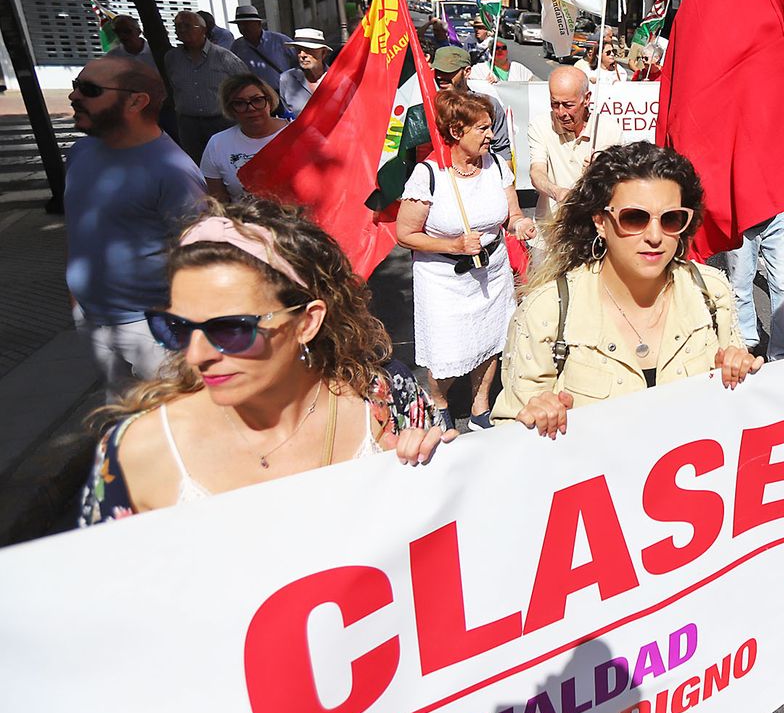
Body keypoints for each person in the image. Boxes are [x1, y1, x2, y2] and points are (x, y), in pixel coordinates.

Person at [78, 198, 452, 525]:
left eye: (229, 329)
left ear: (307, 322)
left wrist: (443, 466)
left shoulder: (389, 400)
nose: (195, 355)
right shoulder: (137, 453)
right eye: (175, 326)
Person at [494, 141, 761, 432]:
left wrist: (739, 372)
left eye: (671, 219)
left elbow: (738, 414)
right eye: (634, 218)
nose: (655, 236)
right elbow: (509, 438)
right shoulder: (547, 313)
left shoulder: (710, 292)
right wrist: (530, 417)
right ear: (600, 221)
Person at [65, 56, 207, 395]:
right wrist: (75, 299)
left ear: (136, 101)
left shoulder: (173, 172)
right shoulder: (79, 153)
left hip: (153, 331)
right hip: (93, 320)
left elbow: (200, 257)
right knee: (126, 418)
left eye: (89, 90)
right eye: (75, 87)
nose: (74, 97)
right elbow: (80, 231)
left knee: (176, 420)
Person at [396, 89, 534, 431]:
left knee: (491, 339)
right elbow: (405, 233)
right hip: (443, 277)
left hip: (493, 269)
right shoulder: (428, 175)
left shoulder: (497, 165)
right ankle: (439, 401)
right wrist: (454, 244)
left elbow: (512, 215)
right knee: (447, 349)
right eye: (483, 129)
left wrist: (521, 225)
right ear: (457, 132)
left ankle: (479, 405)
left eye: (491, 127)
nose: (492, 136)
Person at [528, 65, 623, 231]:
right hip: (551, 229)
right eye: (554, 104)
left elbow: (621, 182)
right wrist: (556, 192)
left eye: (568, 105)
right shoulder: (540, 125)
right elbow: (537, 172)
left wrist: (599, 172)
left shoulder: (609, 129)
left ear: (586, 99)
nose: (561, 112)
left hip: (593, 229)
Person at [165, 9, 250, 161]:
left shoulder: (224, 56)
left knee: (226, 161)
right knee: (196, 165)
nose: (182, 30)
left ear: (203, 29)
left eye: (187, 26)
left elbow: (246, 84)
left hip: (221, 122)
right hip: (188, 124)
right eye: (178, 27)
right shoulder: (172, 58)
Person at [200, 74, 288, 202]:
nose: (251, 108)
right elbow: (218, 203)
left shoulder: (298, 134)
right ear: (231, 109)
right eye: (240, 103)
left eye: (257, 100)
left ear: (269, 101)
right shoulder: (217, 144)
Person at [727, 212, 784, 360]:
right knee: (740, 287)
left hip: (778, 215)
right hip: (739, 221)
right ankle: (747, 344)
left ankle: (780, 355)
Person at [432, 45, 512, 164]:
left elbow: (501, 150)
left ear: (467, 71)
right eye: (438, 70)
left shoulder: (488, 105)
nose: (440, 76)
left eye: (448, 71)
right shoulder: (428, 106)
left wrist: (506, 181)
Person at [228, 4, 297, 81]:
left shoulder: (279, 41)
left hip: (282, 90)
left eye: (247, 24)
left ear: (258, 24)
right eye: (240, 25)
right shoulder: (237, 46)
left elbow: (298, 61)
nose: (243, 28)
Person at [278, 28, 332, 117]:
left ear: (323, 53)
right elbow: (288, 115)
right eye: (298, 50)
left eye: (309, 50)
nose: (302, 55)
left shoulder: (338, 79)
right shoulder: (286, 79)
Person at [469, 35, 534, 84]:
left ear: (507, 51)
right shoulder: (479, 69)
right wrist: (485, 84)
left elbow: (532, 85)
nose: (500, 50)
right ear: (491, 52)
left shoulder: (518, 68)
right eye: (496, 48)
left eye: (503, 48)